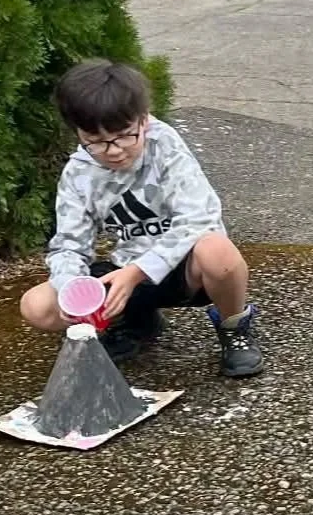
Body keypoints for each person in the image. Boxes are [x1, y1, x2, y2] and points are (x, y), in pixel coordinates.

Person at [18, 59, 264, 377]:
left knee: (218, 251)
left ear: (143, 120)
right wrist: (74, 293)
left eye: (124, 135)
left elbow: (199, 217)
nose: (114, 150)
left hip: (185, 270)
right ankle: (135, 322)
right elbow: (69, 245)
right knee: (37, 305)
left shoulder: (165, 147)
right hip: (125, 275)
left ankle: (234, 327)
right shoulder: (78, 173)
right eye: (96, 141)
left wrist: (138, 271)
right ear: (77, 132)